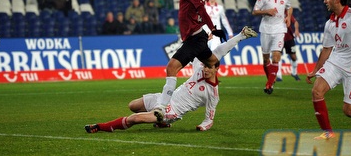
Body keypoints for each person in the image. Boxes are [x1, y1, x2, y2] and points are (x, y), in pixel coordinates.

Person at [84, 26, 258, 133]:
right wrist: (238, 35)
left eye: (208, 67)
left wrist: (202, 126)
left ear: (216, 68)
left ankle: (100, 126)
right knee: (133, 106)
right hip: (164, 98)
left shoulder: (213, 93)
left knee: (134, 119)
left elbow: (209, 119)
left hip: (170, 112)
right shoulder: (200, 67)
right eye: (204, 66)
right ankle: (160, 124)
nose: (204, 68)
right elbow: (220, 49)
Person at [153, 0, 226, 122]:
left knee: (171, 68)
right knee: (212, 61)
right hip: (198, 36)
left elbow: (201, 9)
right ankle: (213, 93)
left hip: (194, 38)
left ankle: (162, 107)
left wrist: (213, 29)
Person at [306, 0, 351, 140]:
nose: (325, 1)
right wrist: (316, 70)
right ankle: (328, 132)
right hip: (335, 62)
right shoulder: (329, 23)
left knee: (350, 111)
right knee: (316, 91)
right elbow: (327, 49)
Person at [252, 0, 293, 95]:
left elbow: (289, 7)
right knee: (266, 59)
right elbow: (254, 11)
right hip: (265, 29)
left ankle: (269, 83)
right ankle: (270, 78)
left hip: (280, 29)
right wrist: (266, 11)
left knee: (276, 56)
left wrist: (288, 17)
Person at [276, 13, 300, 81]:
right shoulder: (275, 13)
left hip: (289, 38)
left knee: (293, 56)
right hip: (279, 38)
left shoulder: (287, 13)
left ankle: (294, 73)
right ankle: (279, 76)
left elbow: (295, 22)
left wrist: (296, 30)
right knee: (278, 56)